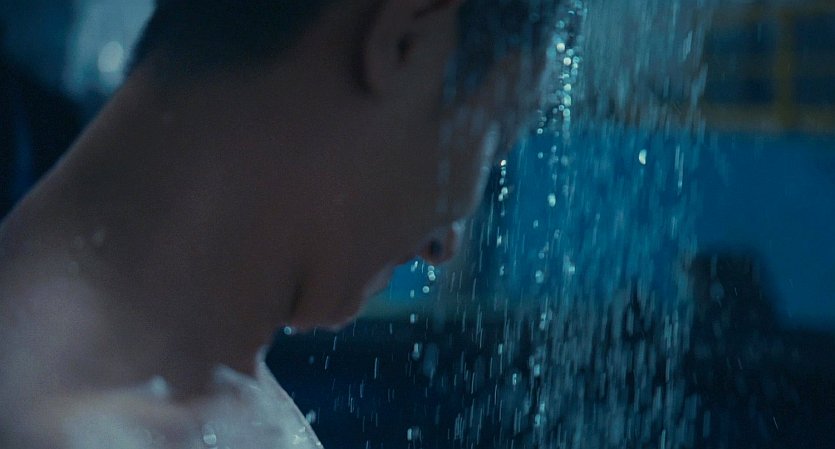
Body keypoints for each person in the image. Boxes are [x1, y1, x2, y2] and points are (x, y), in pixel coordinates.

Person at [0, 0, 567, 447]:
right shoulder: (56, 430)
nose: (447, 242)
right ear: (406, 39)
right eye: (495, 132)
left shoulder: (210, 390)